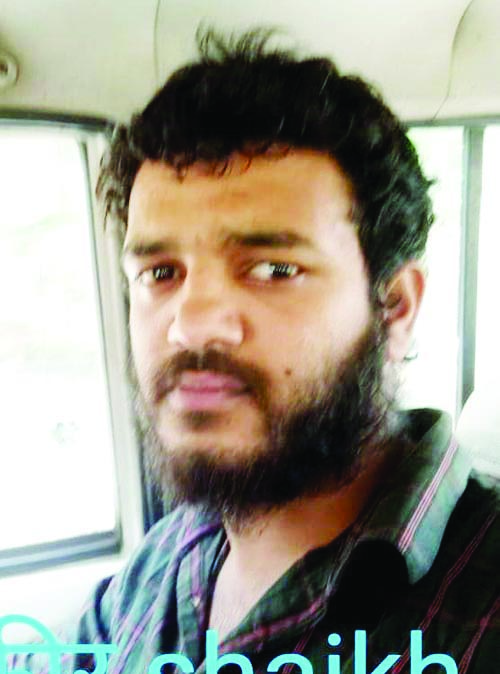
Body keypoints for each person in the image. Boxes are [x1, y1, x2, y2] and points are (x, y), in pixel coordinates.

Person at [10, 29, 499, 674]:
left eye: (273, 269)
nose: (189, 327)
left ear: (395, 306)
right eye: (161, 273)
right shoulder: (171, 552)